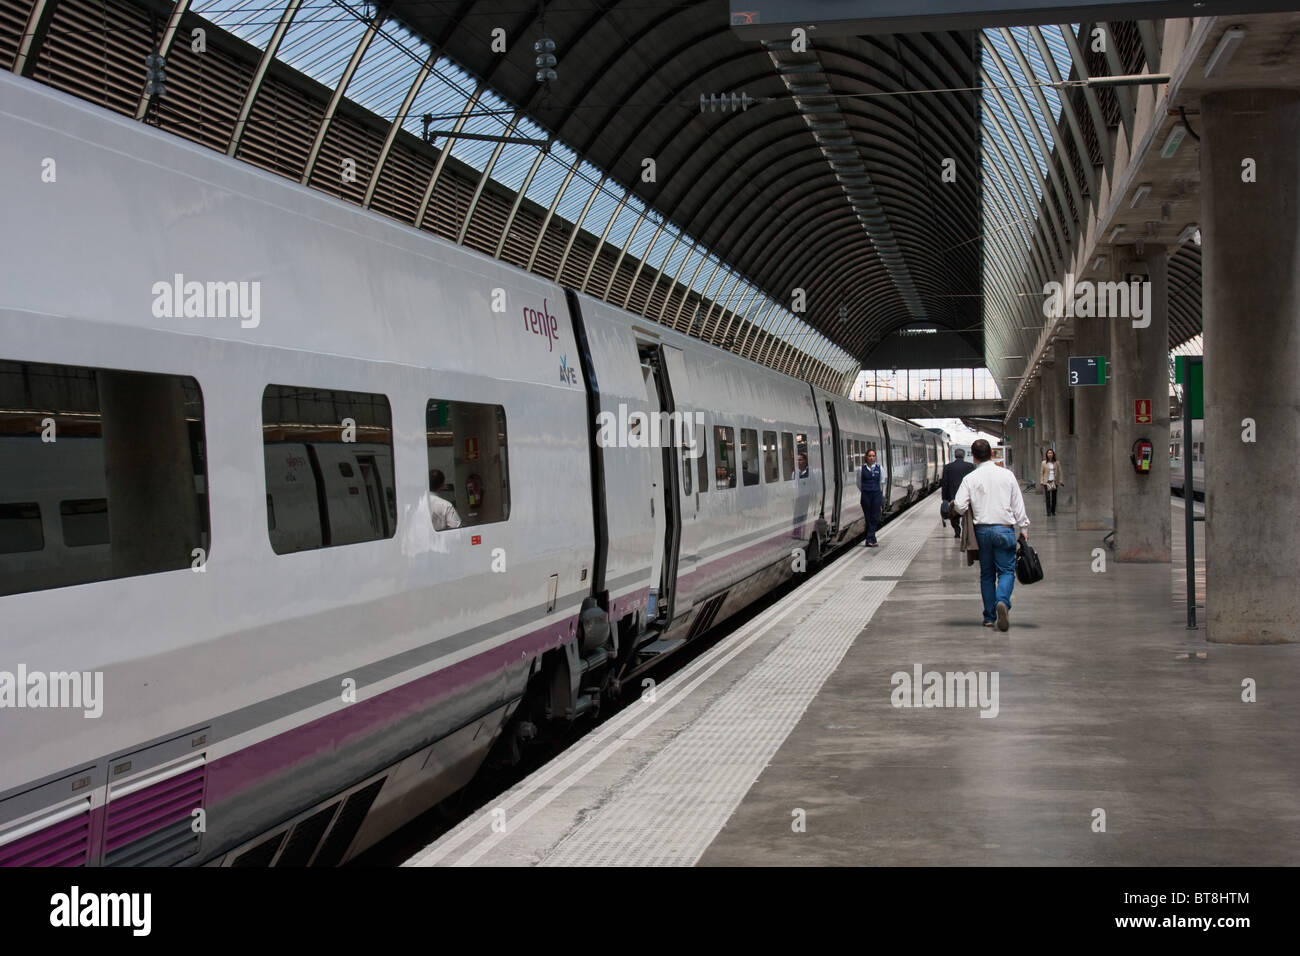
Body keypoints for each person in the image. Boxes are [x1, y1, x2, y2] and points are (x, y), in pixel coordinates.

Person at [952, 439, 1029, 631]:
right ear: (992, 454)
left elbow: (959, 506)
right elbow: (1017, 504)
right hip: (1004, 529)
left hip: (982, 532)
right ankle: (1002, 601)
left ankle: (988, 617)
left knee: (986, 575)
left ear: (974, 457)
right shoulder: (1007, 475)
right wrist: (1024, 528)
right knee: (1006, 571)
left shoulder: (970, 478)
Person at [941, 447, 976, 538]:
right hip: (967, 496)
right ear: (964, 456)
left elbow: (944, 483)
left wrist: (944, 498)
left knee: (954, 515)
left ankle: (957, 531)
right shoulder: (970, 466)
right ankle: (966, 531)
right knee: (966, 514)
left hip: (952, 496)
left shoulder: (948, 467)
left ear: (955, 455)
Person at [859, 447, 883, 547]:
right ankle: (872, 539)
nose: (871, 458)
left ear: (875, 457)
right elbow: (858, 483)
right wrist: (865, 490)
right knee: (868, 517)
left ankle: (869, 539)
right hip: (866, 495)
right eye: (869, 456)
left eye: (873, 456)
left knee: (874, 517)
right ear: (866, 457)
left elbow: (882, 481)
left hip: (876, 495)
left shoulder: (880, 468)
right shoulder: (861, 469)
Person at [1038, 448, 1064, 517]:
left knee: (1054, 497)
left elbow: (1060, 472)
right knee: (1048, 497)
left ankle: (1053, 511)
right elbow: (1041, 472)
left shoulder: (1056, 462)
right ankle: (1048, 512)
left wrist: (1061, 480)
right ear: (1047, 454)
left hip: (1054, 481)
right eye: (1048, 453)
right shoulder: (1043, 463)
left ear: (1053, 454)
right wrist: (1041, 481)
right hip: (1047, 482)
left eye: (1051, 453)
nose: (1050, 454)